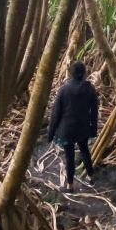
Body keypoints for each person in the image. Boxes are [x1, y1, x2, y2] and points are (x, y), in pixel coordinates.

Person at [47, 61, 99, 191]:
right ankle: (91, 177)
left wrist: (51, 133)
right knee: (85, 151)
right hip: (83, 128)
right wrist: (93, 128)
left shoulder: (64, 89)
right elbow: (94, 111)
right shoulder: (89, 89)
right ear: (84, 73)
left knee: (69, 156)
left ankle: (70, 185)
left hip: (67, 130)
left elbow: (56, 113)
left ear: (71, 73)